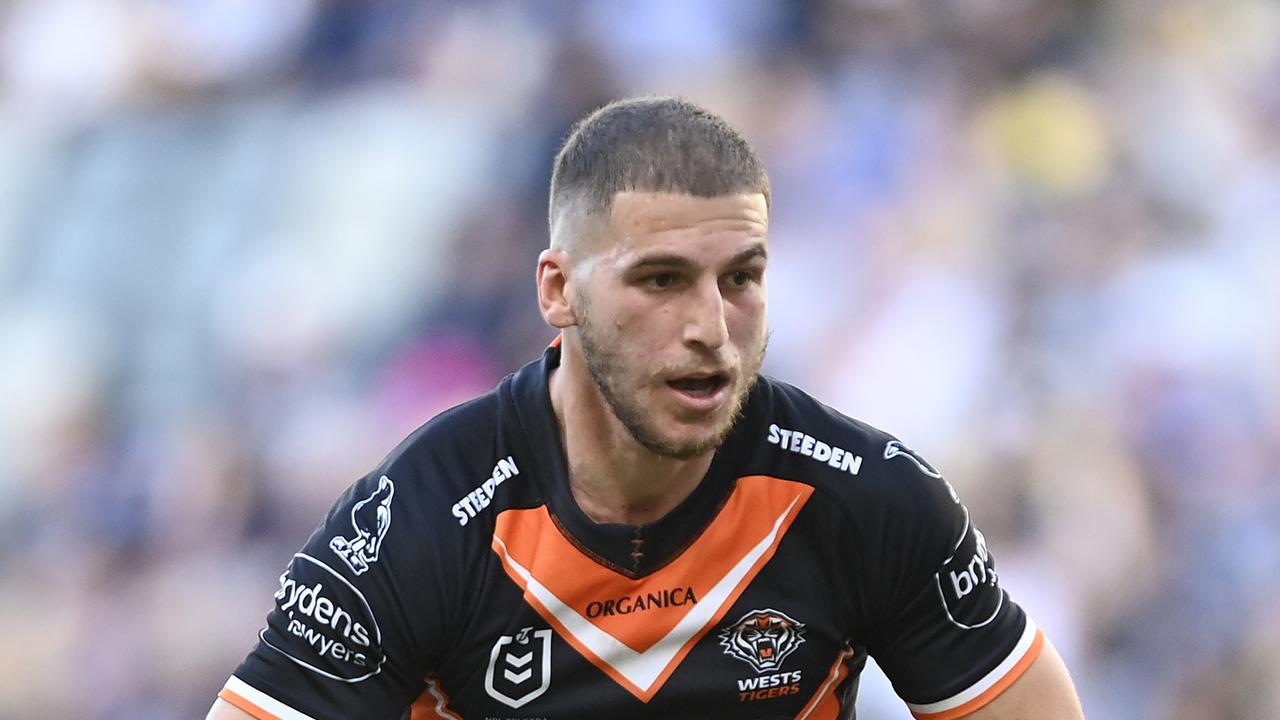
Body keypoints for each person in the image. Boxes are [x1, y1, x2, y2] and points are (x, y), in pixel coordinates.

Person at [207, 97, 1084, 720]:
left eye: (741, 278)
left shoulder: (865, 498)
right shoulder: (421, 519)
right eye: (661, 280)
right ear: (558, 290)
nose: (711, 327)